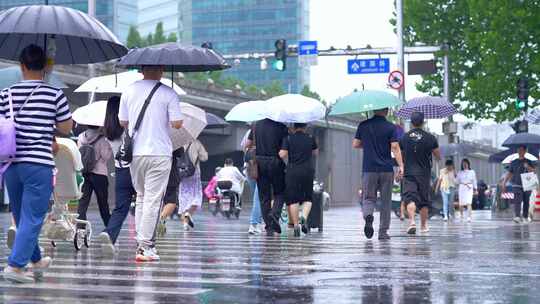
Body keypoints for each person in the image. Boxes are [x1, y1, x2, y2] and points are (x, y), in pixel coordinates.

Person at [0, 44, 73, 283]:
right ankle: (15, 266)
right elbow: (66, 127)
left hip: (10, 163)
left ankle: (36, 259)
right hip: (38, 164)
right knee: (33, 217)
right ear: (44, 67)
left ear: (22, 66)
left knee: (22, 216)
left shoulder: (6, 94)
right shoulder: (54, 94)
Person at [118, 65, 183, 262]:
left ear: (141, 70)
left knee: (141, 198)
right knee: (153, 200)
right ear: (162, 70)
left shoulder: (128, 90)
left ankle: (141, 243)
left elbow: (123, 121)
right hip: (159, 153)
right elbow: (177, 123)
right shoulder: (169, 93)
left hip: (135, 153)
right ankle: (145, 247)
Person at [353, 108, 404, 240]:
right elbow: (395, 147)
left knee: (368, 198)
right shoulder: (391, 127)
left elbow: (356, 144)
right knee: (386, 202)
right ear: (386, 111)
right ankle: (383, 232)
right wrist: (401, 166)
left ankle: (368, 216)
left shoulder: (363, 125)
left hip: (369, 169)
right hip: (386, 170)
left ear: (373, 110)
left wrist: (369, 144)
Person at [97, 96, 135, 254]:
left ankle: (109, 233)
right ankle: (145, 243)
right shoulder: (130, 127)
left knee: (120, 208)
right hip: (135, 169)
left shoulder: (108, 131)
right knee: (145, 205)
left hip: (120, 171)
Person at [246, 119, 289, 236]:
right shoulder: (282, 127)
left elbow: (247, 144)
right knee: (280, 193)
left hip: (259, 163)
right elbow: (283, 152)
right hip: (275, 163)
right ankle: (274, 215)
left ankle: (269, 225)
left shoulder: (255, 126)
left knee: (264, 196)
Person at [399, 112, 440, 235]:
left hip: (409, 173)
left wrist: (400, 169)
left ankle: (412, 221)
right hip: (424, 173)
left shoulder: (404, 138)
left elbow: (400, 156)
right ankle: (423, 225)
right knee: (423, 200)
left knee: (410, 197)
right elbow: (438, 156)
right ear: (423, 122)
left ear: (411, 123)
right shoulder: (431, 138)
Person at [279, 123, 318, 237]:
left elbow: (283, 154)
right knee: (308, 198)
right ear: (305, 127)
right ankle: (304, 217)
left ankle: (296, 225)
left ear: (293, 127)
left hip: (293, 171)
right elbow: (315, 152)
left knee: (293, 199)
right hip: (307, 171)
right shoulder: (311, 138)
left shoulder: (288, 138)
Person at [76, 125, 112, 229]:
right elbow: (106, 156)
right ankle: (109, 229)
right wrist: (109, 147)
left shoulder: (80, 137)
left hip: (85, 173)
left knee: (83, 202)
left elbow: (79, 155)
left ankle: (80, 228)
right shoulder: (103, 139)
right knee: (103, 203)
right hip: (99, 175)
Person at [178, 139, 208, 231]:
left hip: (182, 174)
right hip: (194, 173)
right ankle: (189, 213)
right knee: (196, 196)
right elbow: (204, 158)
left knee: (183, 198)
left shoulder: (179, 142)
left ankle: (185, 224)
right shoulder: (197, 143)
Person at [502, 146, 535, 223]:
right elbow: (509, 173)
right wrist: (504, 182)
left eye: (522, 150)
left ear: (525, 151)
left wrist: (528, 167)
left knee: (526, 201)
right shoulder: (514, 162)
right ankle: (517, 216)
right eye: (518, 150)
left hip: (527, 184)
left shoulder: (528, 161)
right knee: (517, 200)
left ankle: (525, 216)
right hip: (516, 184)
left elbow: (533, 171)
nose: (520, 151)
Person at [156, 147, 183, 237]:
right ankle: (162, 218)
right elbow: (180, 153)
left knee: (152, 199)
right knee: (171, 201)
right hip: (170, 173)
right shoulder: (172, 137)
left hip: (154, 172)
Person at [242, 129, 263, 235]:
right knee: (259, 197)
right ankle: (254, 224)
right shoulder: (270, 132)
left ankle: (257, 223)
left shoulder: (251, 131)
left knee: (257, 197)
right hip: (261, 168)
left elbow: (245, 146)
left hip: (250, 169)